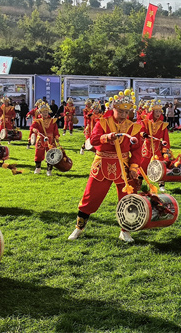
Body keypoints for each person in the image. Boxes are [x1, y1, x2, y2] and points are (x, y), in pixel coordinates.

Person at [68, 89, 143, 243]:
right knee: (90, 196)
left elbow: (137, 150)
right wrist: (106, 137)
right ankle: (79, 228)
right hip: (102, 164)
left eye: (126, 112)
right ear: (113, 109)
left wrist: (134, 167)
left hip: (123, 166)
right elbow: (93, 140)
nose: (123, 115)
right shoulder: (102, 123)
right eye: (120, 111)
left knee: (128, 199)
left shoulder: (133, 127)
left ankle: (125, 231)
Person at [138, 100, 170, 191]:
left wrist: (165, 150)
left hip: (157, 148)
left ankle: (161, 185)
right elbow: (141, 131)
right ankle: (138, 184)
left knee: (159, 165)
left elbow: (165, 139)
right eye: (156, 111)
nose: (158, 113)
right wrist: (143, 134)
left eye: (160, 111)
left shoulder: (163, 125)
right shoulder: (146, 122)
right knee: (143, 165)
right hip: (147, 147)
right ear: (152, 112)